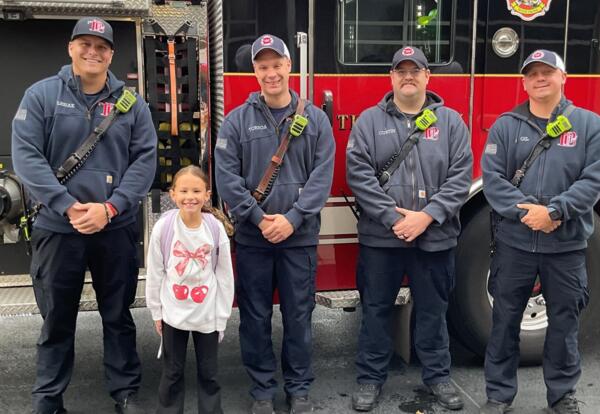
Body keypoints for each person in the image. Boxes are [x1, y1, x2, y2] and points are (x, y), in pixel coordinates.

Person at [11, 17, 157, 414]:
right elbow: (27, 157)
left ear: (111, 54)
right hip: (58, 228)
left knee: (118, 314)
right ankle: (48, 398)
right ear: (70, 47)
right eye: (85, 44)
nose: (93, 52)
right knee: (57, 320)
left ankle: (125, 394)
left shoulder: (132, 104)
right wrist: (68, 205)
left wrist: (111, 207)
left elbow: (145, 160)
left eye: (102, 46)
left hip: (115, 229)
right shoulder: (41, 96)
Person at [346, 46, 473, 412]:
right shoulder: (369, 121)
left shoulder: (451, 123)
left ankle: (438, 377)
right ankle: (370, 379)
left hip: (434, 238)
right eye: (400, 71)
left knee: (434, 311)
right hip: (381, 239)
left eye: (415, 70)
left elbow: (460, 177)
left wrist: (427, 216)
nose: (408, 76)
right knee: (376, 310)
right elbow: (359, 174)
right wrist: (394, 218)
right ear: (391, 78)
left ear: (427, 77)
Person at [214, 34, 335, 414]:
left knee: (299, 316)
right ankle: (262, 390)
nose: (271, 73)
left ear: (289, 66)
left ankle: (298, 389)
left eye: (276, 64)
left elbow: (322, 175)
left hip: (298, 239)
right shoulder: (235, 122)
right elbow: (226, 177)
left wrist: (294, 218)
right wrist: (257, 217)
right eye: (262, 66)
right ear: (254, 71)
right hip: (253, 237)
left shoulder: (314, 119)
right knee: (255, 317)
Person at [480, 50, 600, 414]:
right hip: (515, 244)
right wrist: (530, 214)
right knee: (504, 322)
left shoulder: (589, 125)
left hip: (565, 247)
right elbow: (493, 180)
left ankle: (562, 395)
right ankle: (498, 395)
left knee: (564, 325)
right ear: (524, 82)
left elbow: (593, 180)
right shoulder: (505, 125)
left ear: (564, 78)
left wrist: (555, 211)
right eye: (532, 74)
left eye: (548, 72)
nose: (540, 78)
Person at [146, 165, 234, 414]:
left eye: (196, 190)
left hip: (207, 313)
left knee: (209, 373)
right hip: (173, 313)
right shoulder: (164, 228)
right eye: (183, 190)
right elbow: (156, 272)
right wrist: (156, 311)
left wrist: (222, 316)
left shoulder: (215, 229)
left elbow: (224, 276)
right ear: (172, 194)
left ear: (207, 194)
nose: (190, 197)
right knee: (172, 372)